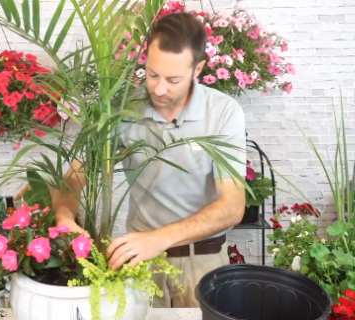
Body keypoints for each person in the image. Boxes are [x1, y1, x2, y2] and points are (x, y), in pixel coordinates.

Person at [53, 12, 247, 308]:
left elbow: (232, 207)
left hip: (202, 262)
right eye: (152, 74)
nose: (158, 89)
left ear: (199, 69)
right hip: (139, 262)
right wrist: (64, 216)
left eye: (173, 80)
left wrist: (159, 239)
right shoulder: (122, 109)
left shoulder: (223, 113)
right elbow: (76, 175)